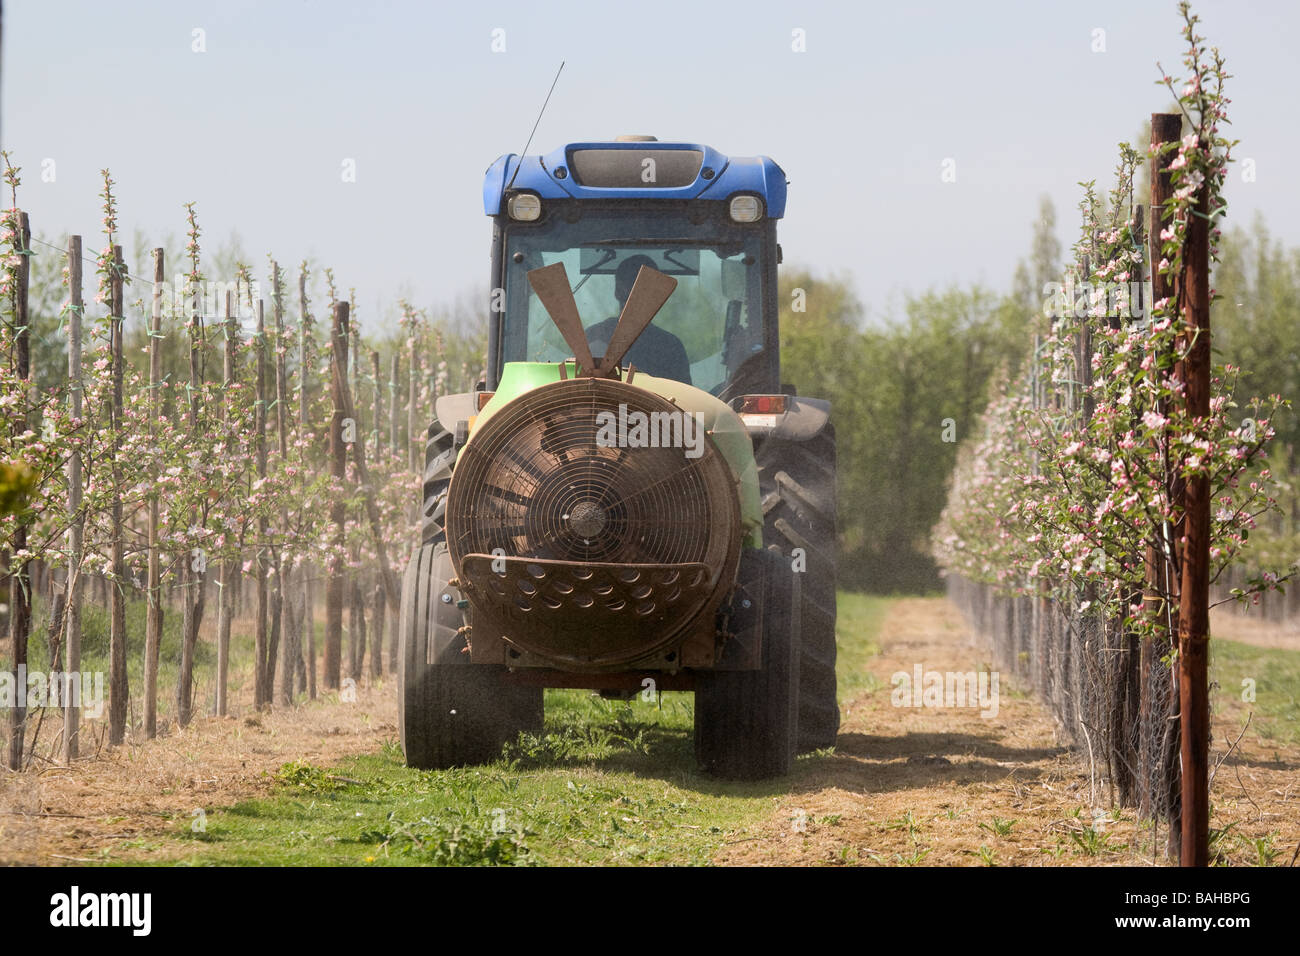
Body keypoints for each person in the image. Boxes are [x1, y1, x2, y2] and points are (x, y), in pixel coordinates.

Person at [584, 254, 692, 384]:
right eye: (631, 286)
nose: (635, 294)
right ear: (658, 295)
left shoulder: (591, 337)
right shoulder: (671, 346)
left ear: (616, 291)